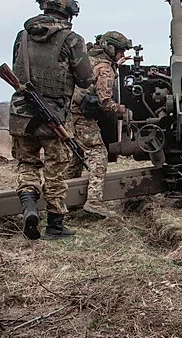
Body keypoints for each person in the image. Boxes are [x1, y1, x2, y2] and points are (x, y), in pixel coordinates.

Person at [9, 0, 94, 240]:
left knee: (27, 165)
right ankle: (55, 225)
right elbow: (86, 80)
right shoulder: (72, 39)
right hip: (53, 118)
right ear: (69, 12)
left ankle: (30, 208)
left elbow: (18, 73)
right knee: (56, 171)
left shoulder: (22, 36)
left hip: (20, 114)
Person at [66, 31, 132, 218]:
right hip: (81, 116)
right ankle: (93, 201)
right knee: (98, 153)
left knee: (77, 156)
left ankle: (65, 199)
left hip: (68, 114)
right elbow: (105, 102)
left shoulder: (89, 59)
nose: (121, 54)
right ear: (110, 49)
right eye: (119, 51)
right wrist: (120, 109)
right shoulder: (104, 68)